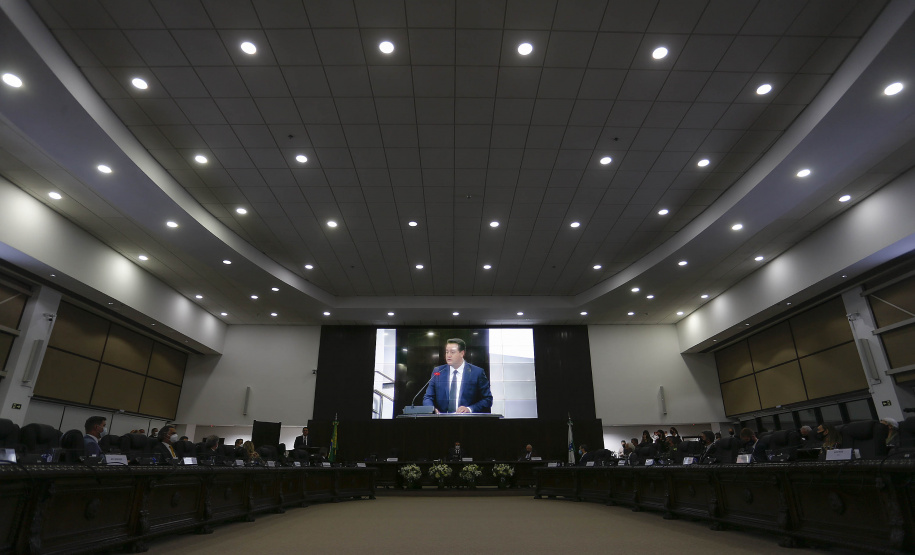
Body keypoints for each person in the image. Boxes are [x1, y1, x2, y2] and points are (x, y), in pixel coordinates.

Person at [422, 338, 493, 414]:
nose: (448, 355)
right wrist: (431, 409)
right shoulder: (438, 371)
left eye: (452, 352)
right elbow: (428, 397)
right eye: (447, 352)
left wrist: (469, 409)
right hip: (442, 421)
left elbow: (488, 400)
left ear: (462, 353)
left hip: (467, 421)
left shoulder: (477, 372)